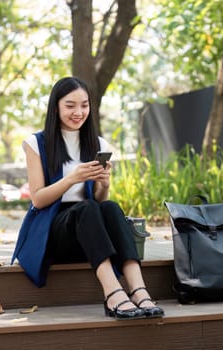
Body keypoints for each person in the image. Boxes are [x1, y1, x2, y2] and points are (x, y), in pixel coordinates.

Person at [21, 76, 163, 320]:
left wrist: (104, 185)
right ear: (56, 106)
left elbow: (98, 201)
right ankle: (113, 293)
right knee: (85, 209)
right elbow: (38, 200)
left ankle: (139, 290)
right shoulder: (37, 143)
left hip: (89, 234)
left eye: (84, 105)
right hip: (53, 232)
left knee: (110, 207)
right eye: (70, 105)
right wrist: (71, 179)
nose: (78, 112)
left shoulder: (97, 143)